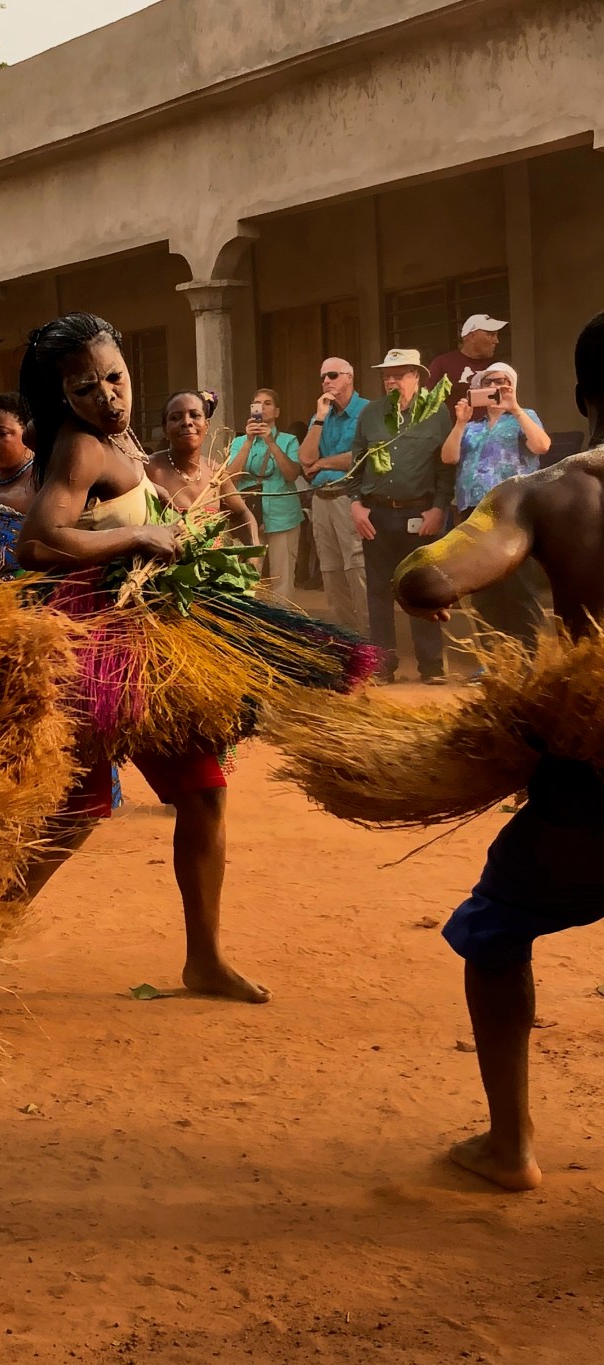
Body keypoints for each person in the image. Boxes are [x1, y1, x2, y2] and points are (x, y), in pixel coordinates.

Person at [0, 312, 270, 1044]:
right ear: (63, 395)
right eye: (85, 388)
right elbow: (36, 542)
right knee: (71, 815)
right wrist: (137, 534)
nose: (107, 396)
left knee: (204, 795)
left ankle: (205, 958)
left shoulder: (122, 441)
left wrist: (177, 529)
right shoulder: (80, 445)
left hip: (151, 641)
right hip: (95, 645)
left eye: (114, 378)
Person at [392, 311, 604, 1193]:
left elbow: (433, 572)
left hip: (593, 777)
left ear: (586, 397)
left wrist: (420, 586)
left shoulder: (554, 492)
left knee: (496, 928)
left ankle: (510, 1144)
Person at [347, 348, 455, 684]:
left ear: (417, 376)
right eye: (386, 375)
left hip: (421, 514)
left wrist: (439, 507)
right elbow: (356, 462)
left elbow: (445, 467)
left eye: (399, 374)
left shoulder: (437, 413)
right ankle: (383, 666)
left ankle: (431, 666)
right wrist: (355, 504)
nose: (391, 380)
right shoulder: (370, 414)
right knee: (378, 592)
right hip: (376, 515)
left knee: (423, 588)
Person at [440, 362, 551, 650]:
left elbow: (542, 446)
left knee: (519, 585)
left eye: (503, 381)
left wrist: (516, 408)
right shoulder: (471, 427)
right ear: (479, 388)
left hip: (513, 511)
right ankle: (493, 659)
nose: (497, 386)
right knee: (483, 588)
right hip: (474, 512)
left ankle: (530, 656)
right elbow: (449, 457)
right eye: (489, 381)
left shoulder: (524, 417)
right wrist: (460, 422)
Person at [298, 358, 369, 633]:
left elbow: (363, 456)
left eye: (333, 375)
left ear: (349, 377)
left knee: (357, 567)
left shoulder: (367, 411)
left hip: (349, 497)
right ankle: (349, 638)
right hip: (321, 499)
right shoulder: (321, 415)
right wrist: (319, 418)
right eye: (323, 377)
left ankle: (370, 637)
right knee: (330, 570)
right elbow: (305, 458)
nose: (326, 381)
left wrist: (322, 463)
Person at [147, 389, 258, 546]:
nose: (187, 422)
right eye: (175, 418)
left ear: (207, 425)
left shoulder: (215, 473)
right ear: (165, 429)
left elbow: (241, 513)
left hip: (211, 561)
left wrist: (253, 549)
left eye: (195, 415)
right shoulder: (149, 469)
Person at [227, 388, 302, 600]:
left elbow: (291, 474)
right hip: (248, 515)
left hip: (283, 515)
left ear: (277, 412)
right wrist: (248, 442)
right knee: (247, 576)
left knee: (283, 578)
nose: (262, 407)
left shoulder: (289, 440)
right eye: (258, 403)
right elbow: (230, 478)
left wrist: (271, 442)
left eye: (268, 403)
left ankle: (283, 618)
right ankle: (248, 618)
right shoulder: (239, 442)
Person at [428, 313, 508, 405]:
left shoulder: (497, 367)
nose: (496, 341)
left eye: (496, 335)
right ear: (472, 336)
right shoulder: (443, 364)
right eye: (491, 335)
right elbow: (429, 402)